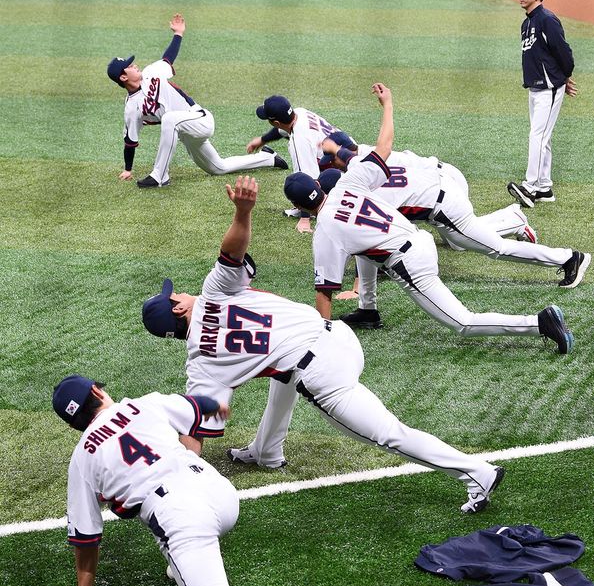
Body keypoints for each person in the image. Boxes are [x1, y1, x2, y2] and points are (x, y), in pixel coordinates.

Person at [142, 175, 505, 515]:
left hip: (323, 371)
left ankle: (476, 473)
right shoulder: (215, 291)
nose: (180, 291)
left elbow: (196, 431)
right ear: (178, 307)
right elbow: (231, 252)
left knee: (387, 434)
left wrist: (184, 479)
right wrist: (243, 211)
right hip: (335, 338)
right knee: (281, 370)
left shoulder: (203, 364)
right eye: (175, 294)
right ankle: (267, 451)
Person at [52, 374, 295, 586]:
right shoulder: (142, 404)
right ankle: (179, 564)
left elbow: (85, 537)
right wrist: (218, 407)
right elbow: (198, 406)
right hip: (219, 493)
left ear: (73, 424)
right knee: (190, 543)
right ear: (97, 391)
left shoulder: (82, 458)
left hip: (181, 517)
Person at [284, 84, 574, 354]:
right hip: (422, 235)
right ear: (320, 186)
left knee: (463, 322)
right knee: (366, 253)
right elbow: (383, 148)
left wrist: (321, 341)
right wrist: (387, 104)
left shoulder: (326, 232)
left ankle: (540, 323)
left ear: (299, 205)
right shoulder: (352, 182)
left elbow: (324, 294)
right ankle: (368, 310)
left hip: (413, 258)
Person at [318, 140, 590, 329]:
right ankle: (368, 309)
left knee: (495, 248)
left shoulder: (354, 193)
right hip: (439, 183)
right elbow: (364, 247)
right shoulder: (359, 169)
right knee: (471, 243)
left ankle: (568, 258)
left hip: (443, 203)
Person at [107, 14, 288, 189]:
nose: (135, 65)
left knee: (170, 119)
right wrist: (127, 169)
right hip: (186, 133)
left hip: (199, 119)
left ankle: (160, 176)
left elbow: (168, 58)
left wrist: (178, 34)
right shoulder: (131, 107)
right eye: (129, 66)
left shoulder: (151, 72)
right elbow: (130, 140)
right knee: (218, 168)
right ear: (123, 77)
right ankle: (268, 158)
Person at [507, 0, 576, 207]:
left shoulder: (547, 20)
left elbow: (562, 51)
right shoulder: (527, 23)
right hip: (535, 87)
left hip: (549, 88)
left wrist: (564, 77)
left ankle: (530, 186)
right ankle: (545, 189)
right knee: (542, 137)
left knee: (538, 136)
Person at [246, 95, 356, 232]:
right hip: (350, 155)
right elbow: (282, 130)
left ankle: (320, 207)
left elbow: (308, 179)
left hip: (347, 172)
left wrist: (305, 218)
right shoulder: (299, 112)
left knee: (306, 182)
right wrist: (262, 140)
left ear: (276, 122)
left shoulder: (300, 140)